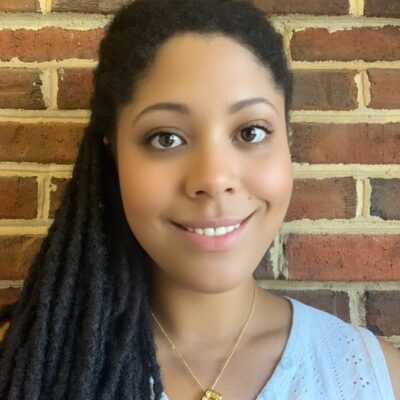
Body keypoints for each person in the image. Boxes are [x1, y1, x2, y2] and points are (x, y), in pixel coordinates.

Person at [0, 0, 399, 399]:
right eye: (166, 138)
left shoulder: (376, 376)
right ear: (113, 156)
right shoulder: (26, 368)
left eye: (251, 132)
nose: (213, 179)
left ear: (288, 144)